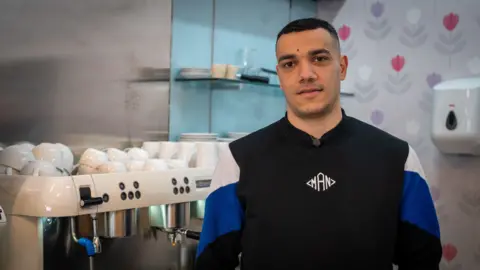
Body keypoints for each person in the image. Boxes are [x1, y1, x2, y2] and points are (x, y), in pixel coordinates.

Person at [195, 17, 442, 270]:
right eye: (290, 63)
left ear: (342, 67)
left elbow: (423, 261)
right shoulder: (237, 161)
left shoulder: (398, 159)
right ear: (279, 75)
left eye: (320, 59)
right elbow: (211, 264)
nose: (306, 74)